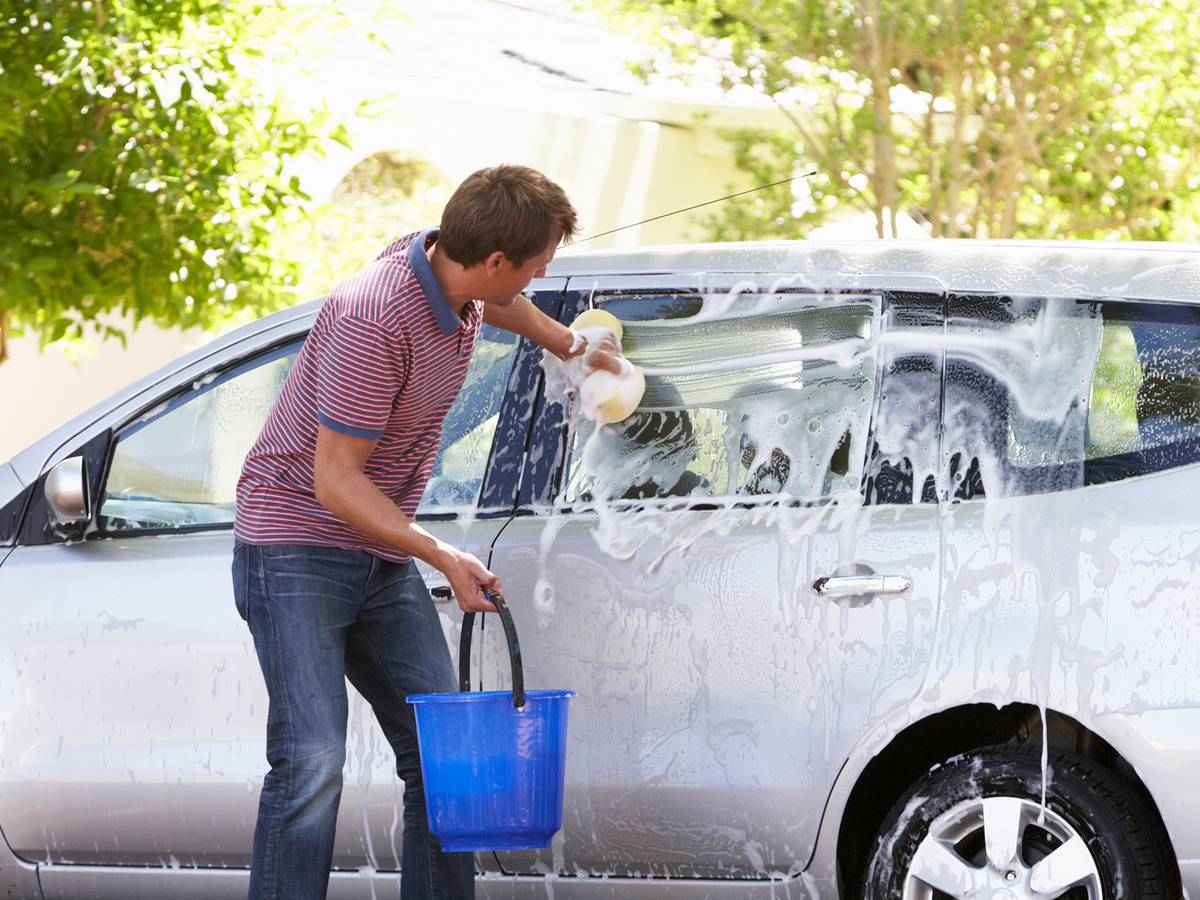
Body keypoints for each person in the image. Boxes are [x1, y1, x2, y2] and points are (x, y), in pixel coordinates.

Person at [230, 165, 620, 900]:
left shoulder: (445, 268)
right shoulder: (372, 318)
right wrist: (440, 554)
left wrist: (571, 345)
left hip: (373, 550)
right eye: (539, 263)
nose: (544, 273)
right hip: (295, 546)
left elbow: (503, 308)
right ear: (496, 261)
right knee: (312, 761)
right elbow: (335, 481)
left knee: (446, 762)